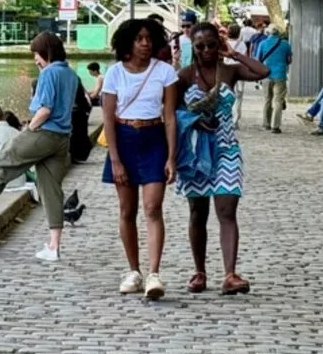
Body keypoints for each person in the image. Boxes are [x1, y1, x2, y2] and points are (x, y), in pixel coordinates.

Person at [0, 31, 79, 261]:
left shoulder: (49, 73)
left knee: (1, 161)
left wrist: (30, 129)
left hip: (44, 133)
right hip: (62, 138)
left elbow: (45, 109)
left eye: (36, 54)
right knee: (51, 189)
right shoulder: (70, 73)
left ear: (45, 52)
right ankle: (53, 246)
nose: (35, 59)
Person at [177, 22, 269, 295]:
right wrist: (193, 121)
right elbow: (171, 110)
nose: (206, 50)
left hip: (226, 149)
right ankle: (199, 272)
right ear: (193, 48)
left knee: (227, 211)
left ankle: (230, 273)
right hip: (196, 152)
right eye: (200, 46)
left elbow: (263, 71)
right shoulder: (184, 76)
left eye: (211, 44)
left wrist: (235, 54)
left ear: (219, 44)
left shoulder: (229, 71)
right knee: (198, 212)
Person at [102, 18, 179, 300]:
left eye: (148, 38)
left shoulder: (165, 72)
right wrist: (115, 160)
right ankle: (133, 270)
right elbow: (108, 119)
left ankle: (154, 273)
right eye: (139, 39)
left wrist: (171, 156)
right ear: (128, 43)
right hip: (124, 138)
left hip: (153, 138)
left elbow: (170, 117)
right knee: (127, 210)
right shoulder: (114, 74)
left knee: (153, 207)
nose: (145, 44)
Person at [254, 25, 293, 133]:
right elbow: (289, 60)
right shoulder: (285, 44)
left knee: (267, 99)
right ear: (279, 32)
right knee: (278, 101)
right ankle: (275, 126)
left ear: (268, 32)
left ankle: (266, 124)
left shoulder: (263, 43)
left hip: (266, 75)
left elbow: (257, 60)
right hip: (280, 75)